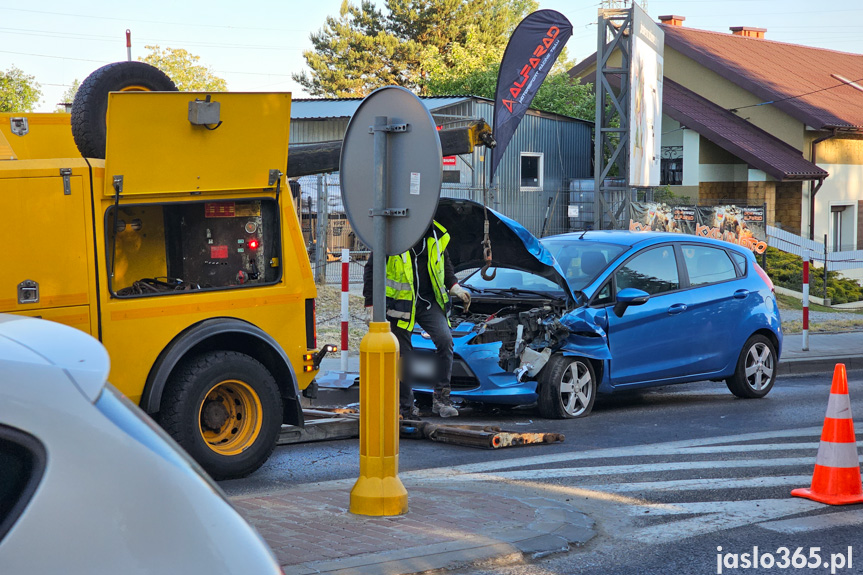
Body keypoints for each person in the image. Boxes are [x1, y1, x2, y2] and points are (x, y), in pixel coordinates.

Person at [363, 220, 471, 418]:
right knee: (404, 355)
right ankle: (406, 406)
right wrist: (371, 303)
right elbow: (371, 269)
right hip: (401, 306)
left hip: (428, 303)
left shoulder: (436, 234)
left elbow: (445, 266)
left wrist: (454, 286)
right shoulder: (391, 238)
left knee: (445, 341)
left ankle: (441, 399)